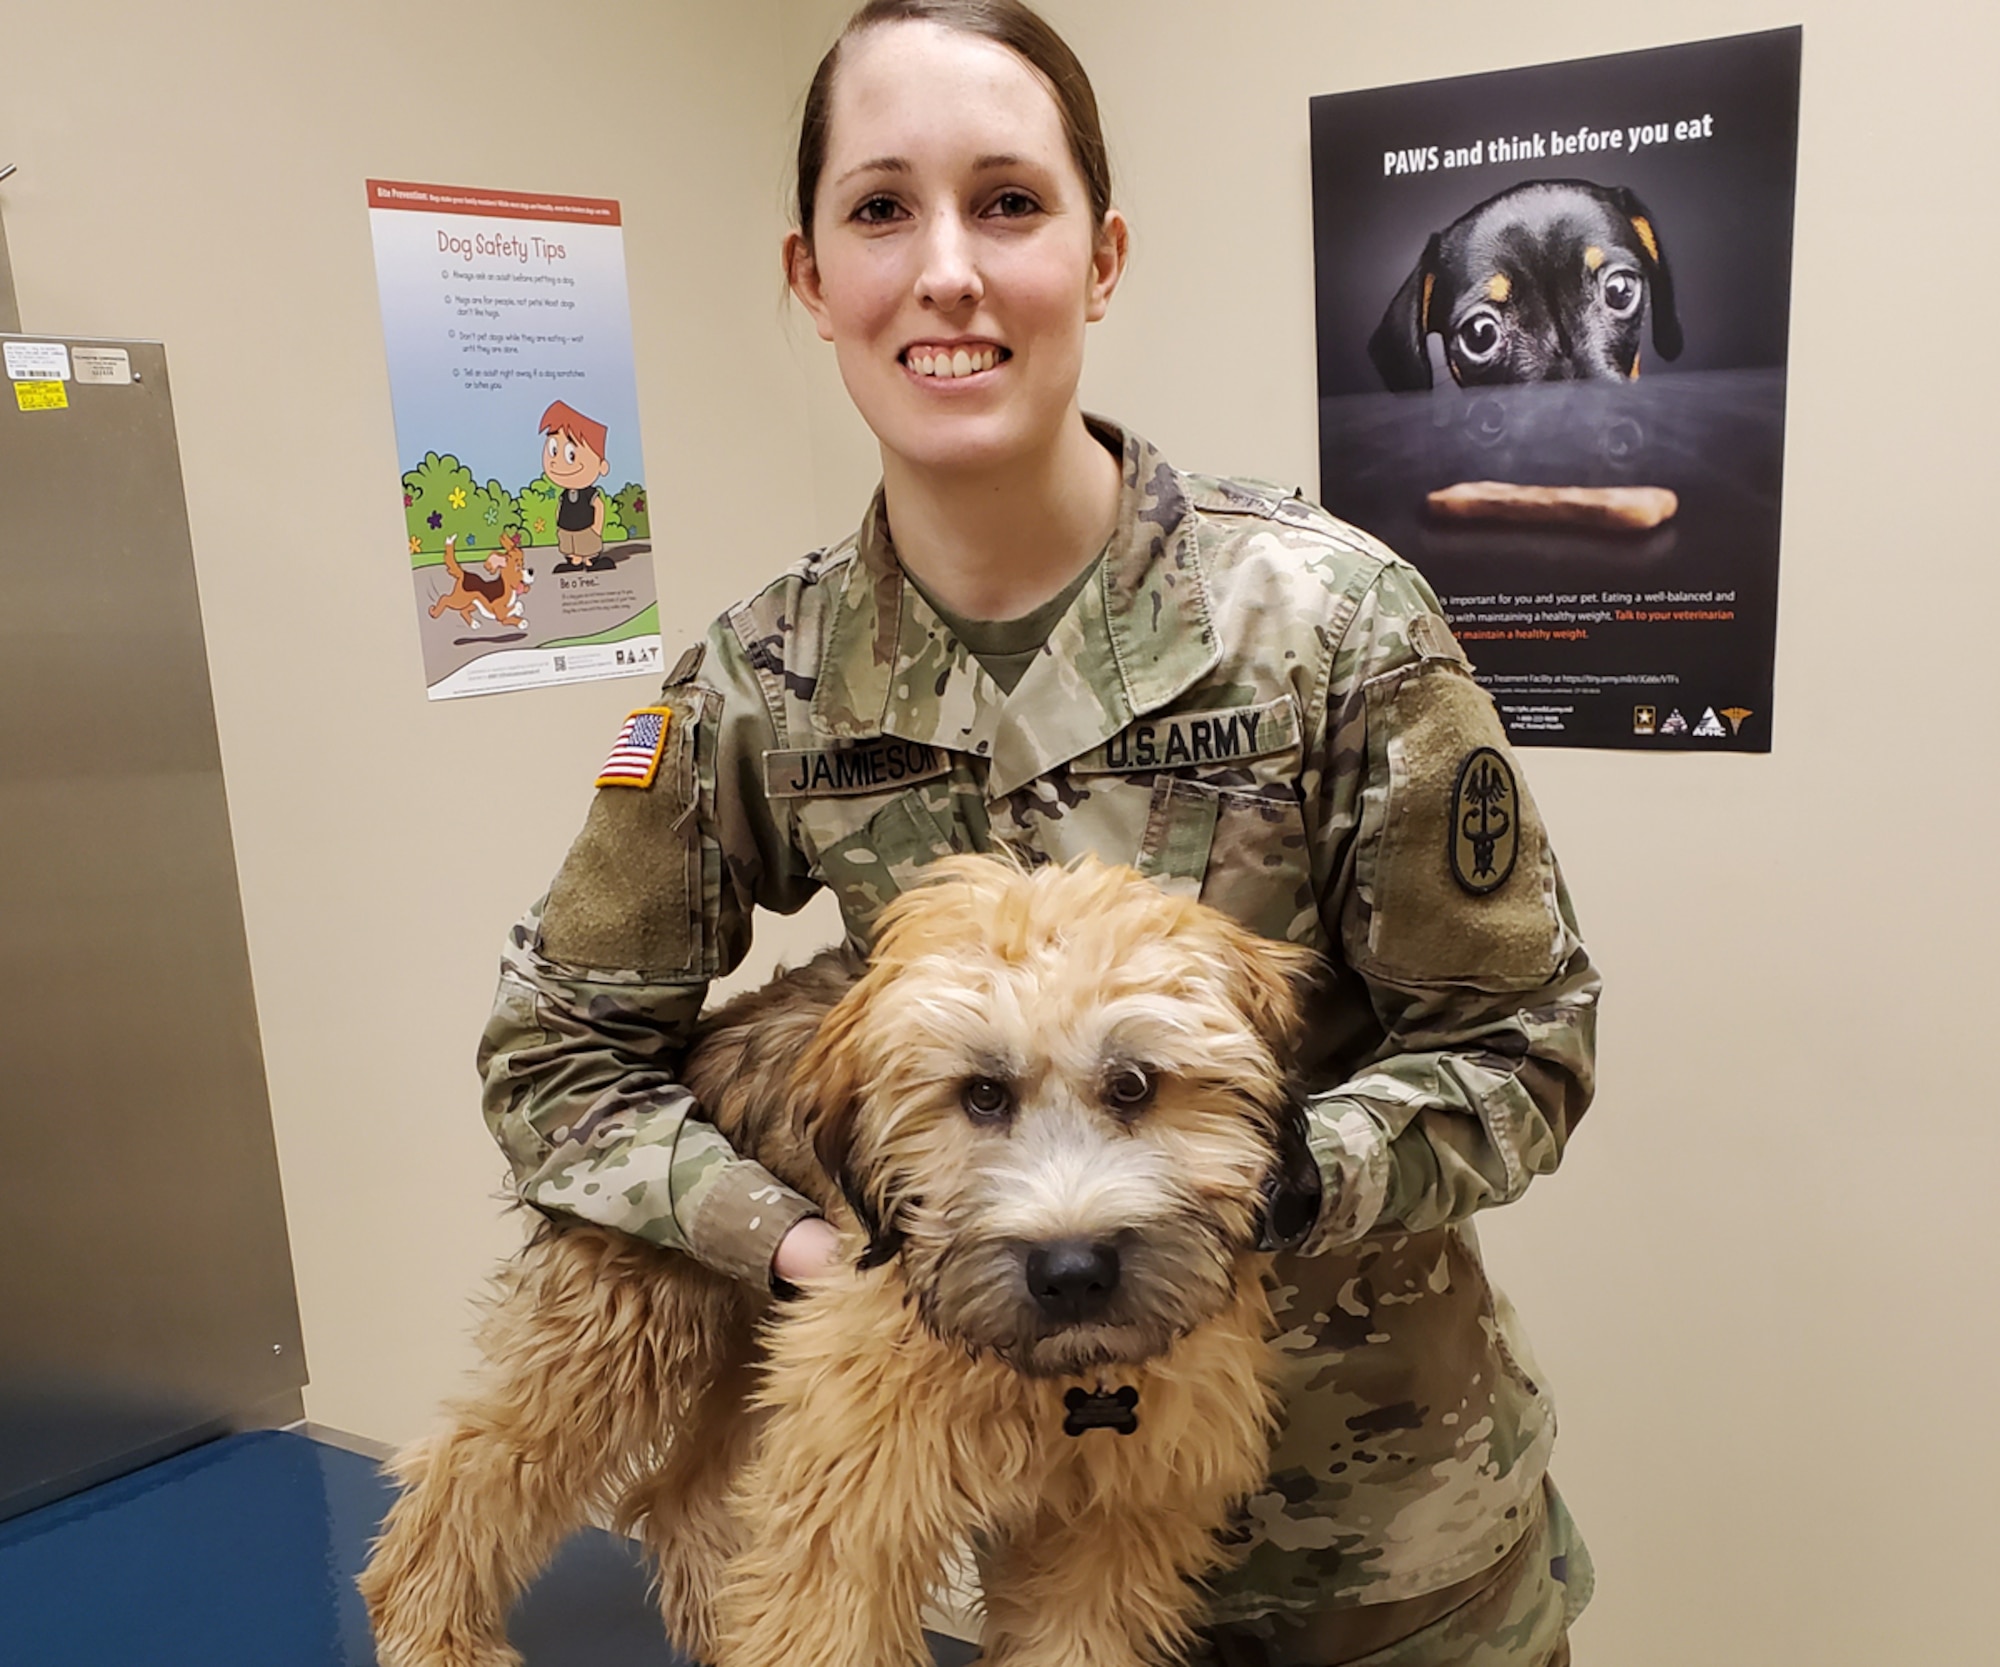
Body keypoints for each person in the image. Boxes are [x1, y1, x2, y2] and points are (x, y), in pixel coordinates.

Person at [478, 4, 1600, 1663]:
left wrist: (1256, 1181)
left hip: (1369, 1562)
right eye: (881, 210)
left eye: (1009, 202)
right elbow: (556, 1057)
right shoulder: (756, 682)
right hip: (981, 1529)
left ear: (1100, 253)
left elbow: (1524, 1044)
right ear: (810, 278)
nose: (948, 273)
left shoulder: (1333, 624)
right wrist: (791, 1233)